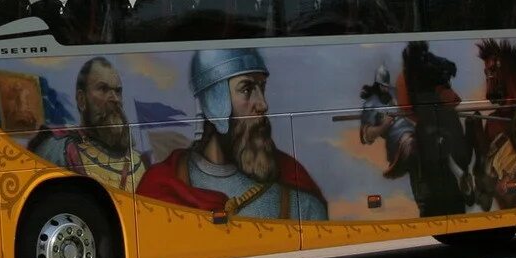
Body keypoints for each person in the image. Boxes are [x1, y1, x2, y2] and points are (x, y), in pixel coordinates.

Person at [138, 47, 327, 220]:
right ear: (214, 102)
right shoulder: (161, 188)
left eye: (262, 88)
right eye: (247, 89)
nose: (263, 104)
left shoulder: (299, 197)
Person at [28, 57, 146, 190]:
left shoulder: (139, 161)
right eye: (103, 89)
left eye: (117, 91)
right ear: (81, 99)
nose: (114, 99)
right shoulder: (57, 149)